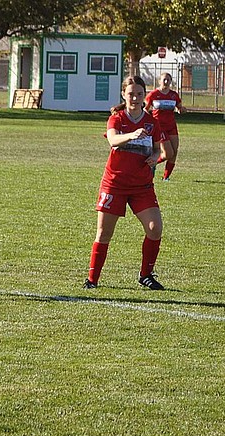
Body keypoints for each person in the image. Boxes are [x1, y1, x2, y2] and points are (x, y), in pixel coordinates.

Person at [83, 75, 165, 290]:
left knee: (155, 228)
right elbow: (112, 140)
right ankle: (92, 280)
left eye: (139, 94)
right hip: (115, 184)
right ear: (123, 95)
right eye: (131, 94)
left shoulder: (151, 122)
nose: (135, 98)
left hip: (142, 186)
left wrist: (155, 157)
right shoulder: (117, 119)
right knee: (104, 233)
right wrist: (131, 135)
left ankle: (145, 275)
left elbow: (158, 149)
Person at [145, 72, 186, 181]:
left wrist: (181, 110)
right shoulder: (153, 94)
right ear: (159, 81)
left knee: (174, 152)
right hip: (159, 126)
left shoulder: (174, 95)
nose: (167, 82)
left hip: (171, 126)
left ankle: (166, 177)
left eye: (169, 80)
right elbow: (145, 109)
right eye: (164, 79)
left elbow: (179, 107)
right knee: (168, 153)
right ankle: (151, 164)